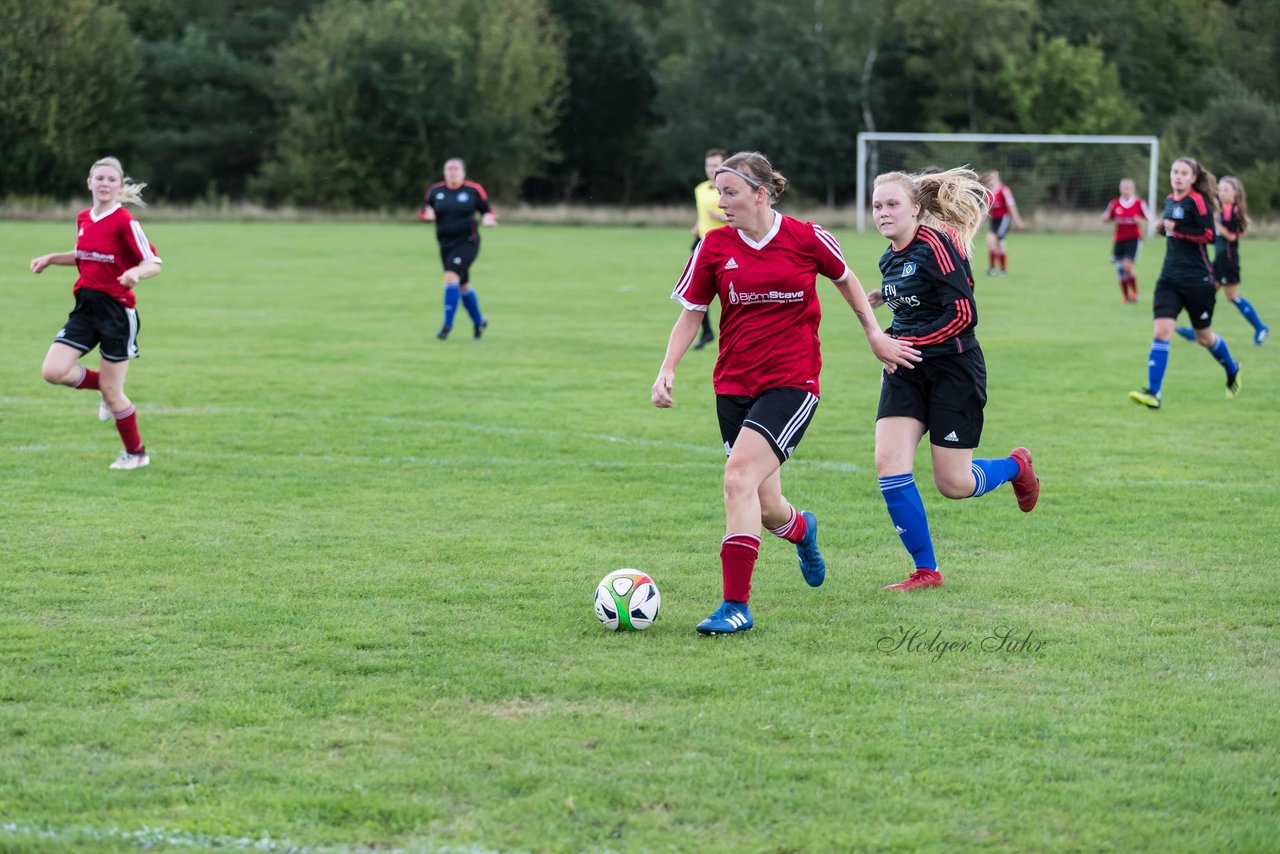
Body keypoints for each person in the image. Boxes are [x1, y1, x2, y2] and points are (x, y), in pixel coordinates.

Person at [651, 151, 921, 634]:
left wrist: (874, 333)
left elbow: (847, 280)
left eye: (729, 192)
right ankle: (802, 529)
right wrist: (667, 368)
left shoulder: (806, 237)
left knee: (736, 479)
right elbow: (692, 312)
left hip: (793, 381)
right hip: (732, 384)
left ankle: (735, 606)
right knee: (766, 502)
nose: (720, 201)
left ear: (760, 192)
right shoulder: (712, 247)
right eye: (717, 191)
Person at [867, 168, 1040, 591]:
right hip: (906, 372)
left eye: (892, 204)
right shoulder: (888, 257)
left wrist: (906, 343)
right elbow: (911, 311)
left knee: (954, 484)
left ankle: (1016, 466)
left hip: (953, 371)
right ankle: (927, 571)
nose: (883, 213)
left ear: (916, 208)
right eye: (877, 206)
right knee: (888, 463)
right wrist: (890, 329)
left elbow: (963, 314)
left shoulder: (937, 245)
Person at [29, 156, 162, 470]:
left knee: (114, 394)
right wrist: (51, 258)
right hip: (86, 308)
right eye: (99, 178)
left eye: (111, 180)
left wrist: (136, 274)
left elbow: (153, 263)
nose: (104, 184)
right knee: (54, 371)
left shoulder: (125, 221)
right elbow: (85, 254)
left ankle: (136, 454)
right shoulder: (84, 218)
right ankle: (105, 386)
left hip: (117, 313)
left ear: (119, 186)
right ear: (89, 183)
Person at [1130, 157, 1241, 409]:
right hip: (1169, 278)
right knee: (1161, 331)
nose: (1178, 176)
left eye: (1183, 173)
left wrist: (1175, 230)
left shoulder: (1198, 201)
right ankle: (1153, 393)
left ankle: (1232, 366)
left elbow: (1209, 236)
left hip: (1198, 281)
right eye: (1174, 172)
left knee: (1204, 338)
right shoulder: (1170, 200)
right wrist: (1163, 229)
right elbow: (1174, 232)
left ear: (1193, 178)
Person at [1176, 175, 1268, 345]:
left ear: (1236, 193)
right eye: (1221, 190)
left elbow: (1231, 236)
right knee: (1206, 293)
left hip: (1228, 261)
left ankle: (1260, 327)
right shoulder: (1222, 210)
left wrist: (1215, 224)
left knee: (1232, 297)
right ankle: (1197, 331)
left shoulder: (1232, 211)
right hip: (1219, 260)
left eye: (1227, 190)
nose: (1222, 193)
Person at [419, 157, 497, 340]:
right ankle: (479, 322)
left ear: (463, 172)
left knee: (451, 276)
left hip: (468, 242)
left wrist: (487, 218)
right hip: (445, 243)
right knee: (462, 285)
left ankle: (447, 325)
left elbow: (487, 210)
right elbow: (424, 211)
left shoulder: (473, 190)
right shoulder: (436, 190)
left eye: (456, 168)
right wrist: (426, 216)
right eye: (449, 168)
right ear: (444, 172)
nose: (452, 171)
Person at [689, 148, 728, 350]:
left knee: (727, 293)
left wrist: (720, 218)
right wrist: (697, 225)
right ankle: (706, 332)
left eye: (716, 165)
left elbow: (738, 214)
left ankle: (728, 334)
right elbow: (702, 213)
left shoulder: (730, 188)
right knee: (694, 292)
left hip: (725, 245)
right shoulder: (700, 189)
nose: (711, 169)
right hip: (702, 243)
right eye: (709, 165)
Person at [1102, 178, 1151, 304]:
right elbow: (1106, 217)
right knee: (1119, 269)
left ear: (1133, 189)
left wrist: (1139, 220)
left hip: (1134, 239)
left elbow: (1148, 220)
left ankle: (1134, 292)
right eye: (1124, 187)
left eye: (1128, 187)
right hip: (1119, 239)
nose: (1126, 189)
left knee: (1127, 267)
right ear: (1120, 189)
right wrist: (1106, 219)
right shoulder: (1115, 203)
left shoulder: (1139, 203)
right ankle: (1126, 296)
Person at [980, 170, 1024, 276]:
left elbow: (1011, 206)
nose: (991, 180)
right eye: (990, 178)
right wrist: (979, 224)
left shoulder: (1004, 189)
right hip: (994, 220)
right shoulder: (989, 192)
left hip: (1003, 219)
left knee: (996, 241)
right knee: (992, 242)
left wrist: (1018, 220)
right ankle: (993, 269)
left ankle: (1002, 269)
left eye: (993, 178)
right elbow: (984, 210)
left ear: (997, 178)